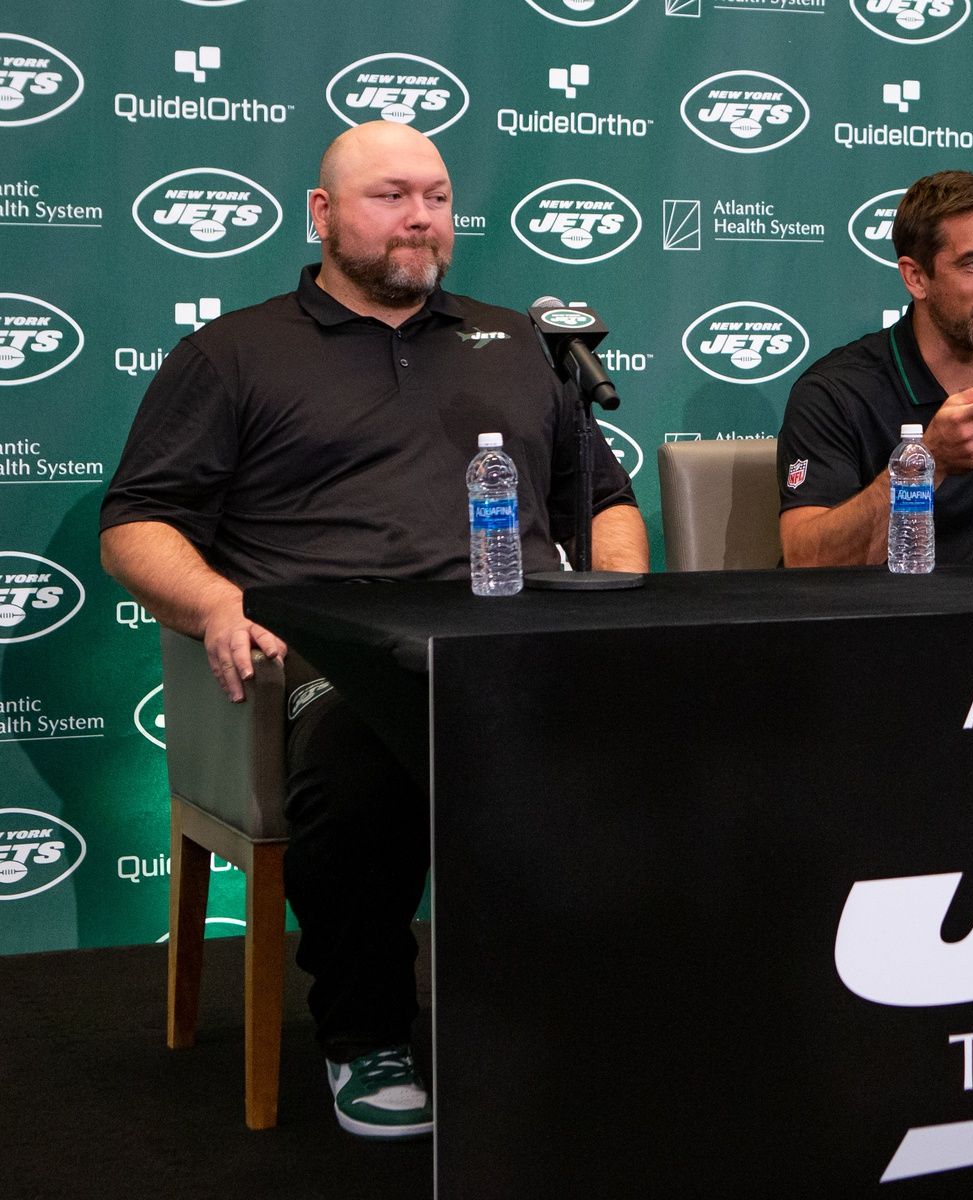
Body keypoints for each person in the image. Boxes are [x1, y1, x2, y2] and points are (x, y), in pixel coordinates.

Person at [99, 121, 649, 1139]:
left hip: (515, 635)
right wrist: (218, 601)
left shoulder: (519, 345)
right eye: (389, 196)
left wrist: (623, 602)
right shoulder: (233, 353)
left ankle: (612, 1011)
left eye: (435, 197)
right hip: (333, 650)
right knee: (364, 759)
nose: (419, 218)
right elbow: (139, 523)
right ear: (322, 214)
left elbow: (603, 500)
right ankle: (368, 1036)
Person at [777, 170, 973, 565]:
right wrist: (929, 461)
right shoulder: (834, 392)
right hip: (886, 622)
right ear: (916, 277)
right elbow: (806, 560)